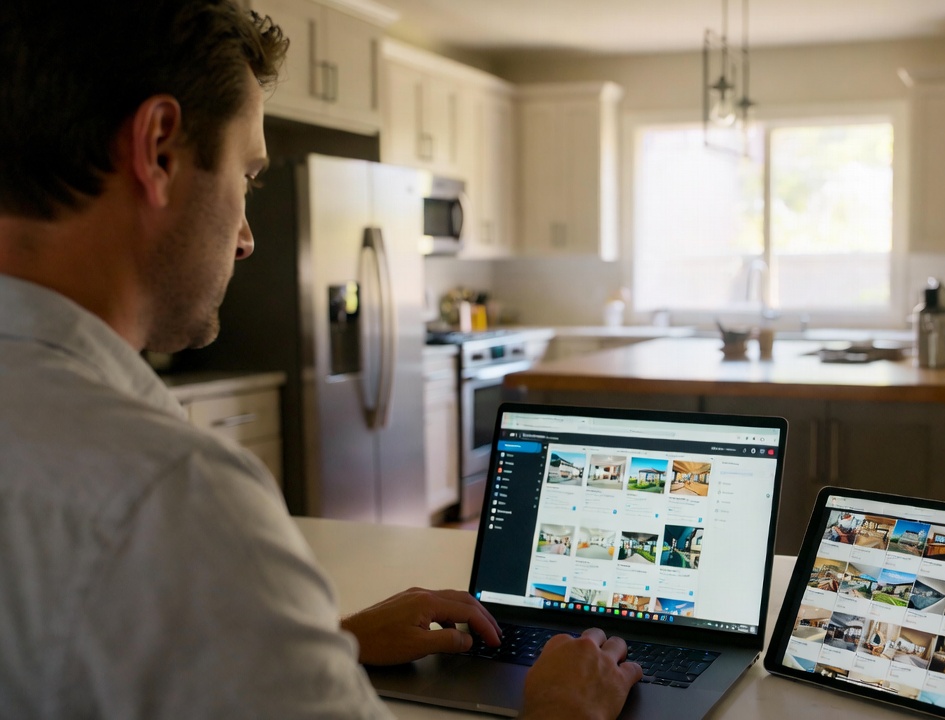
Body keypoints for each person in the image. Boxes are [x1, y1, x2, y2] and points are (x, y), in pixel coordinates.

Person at [0, 2, 641, 718]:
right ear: (159, 149)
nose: (245, 238)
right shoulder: (175, 494)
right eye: (247, 177)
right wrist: (561, 712)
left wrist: (312, 643)